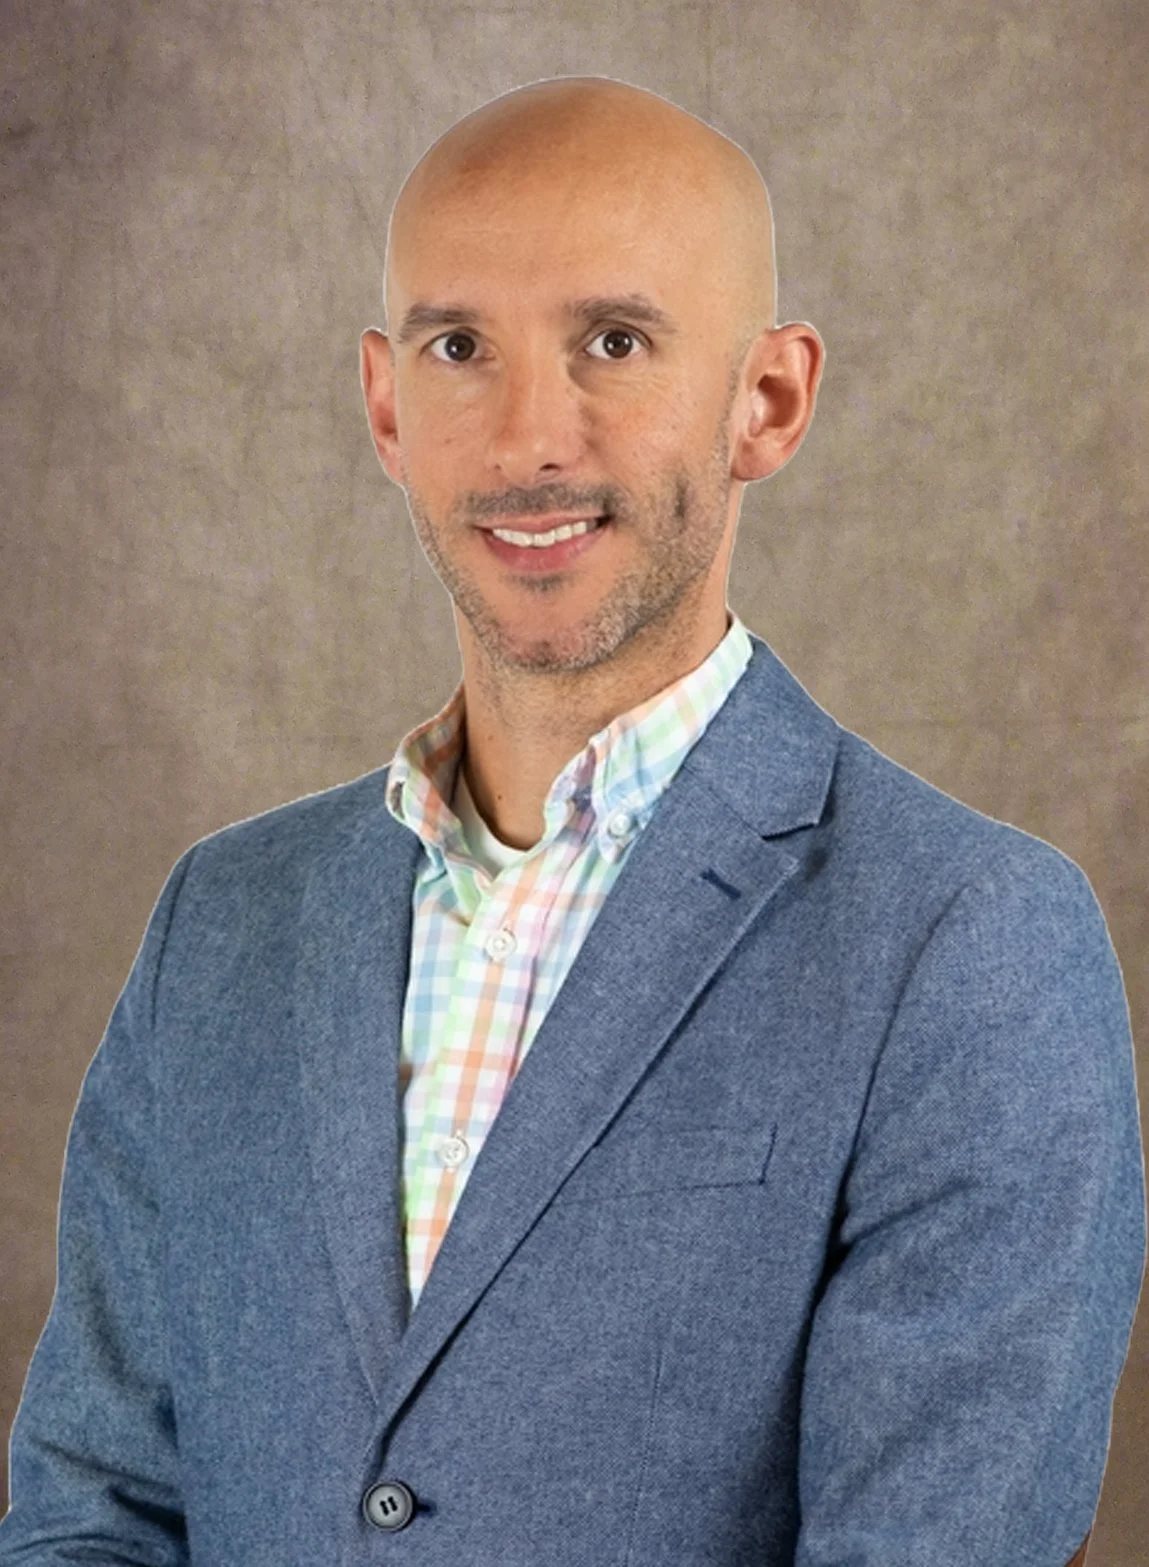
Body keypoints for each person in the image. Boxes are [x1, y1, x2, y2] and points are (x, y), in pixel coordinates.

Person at [0, 74, 1143, 1567]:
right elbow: (94, 1507)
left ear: (769, 400)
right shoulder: (221, 918)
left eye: (614, 341)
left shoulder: (974, 944)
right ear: (385, 403)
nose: (531, 434)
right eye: (460, 345)